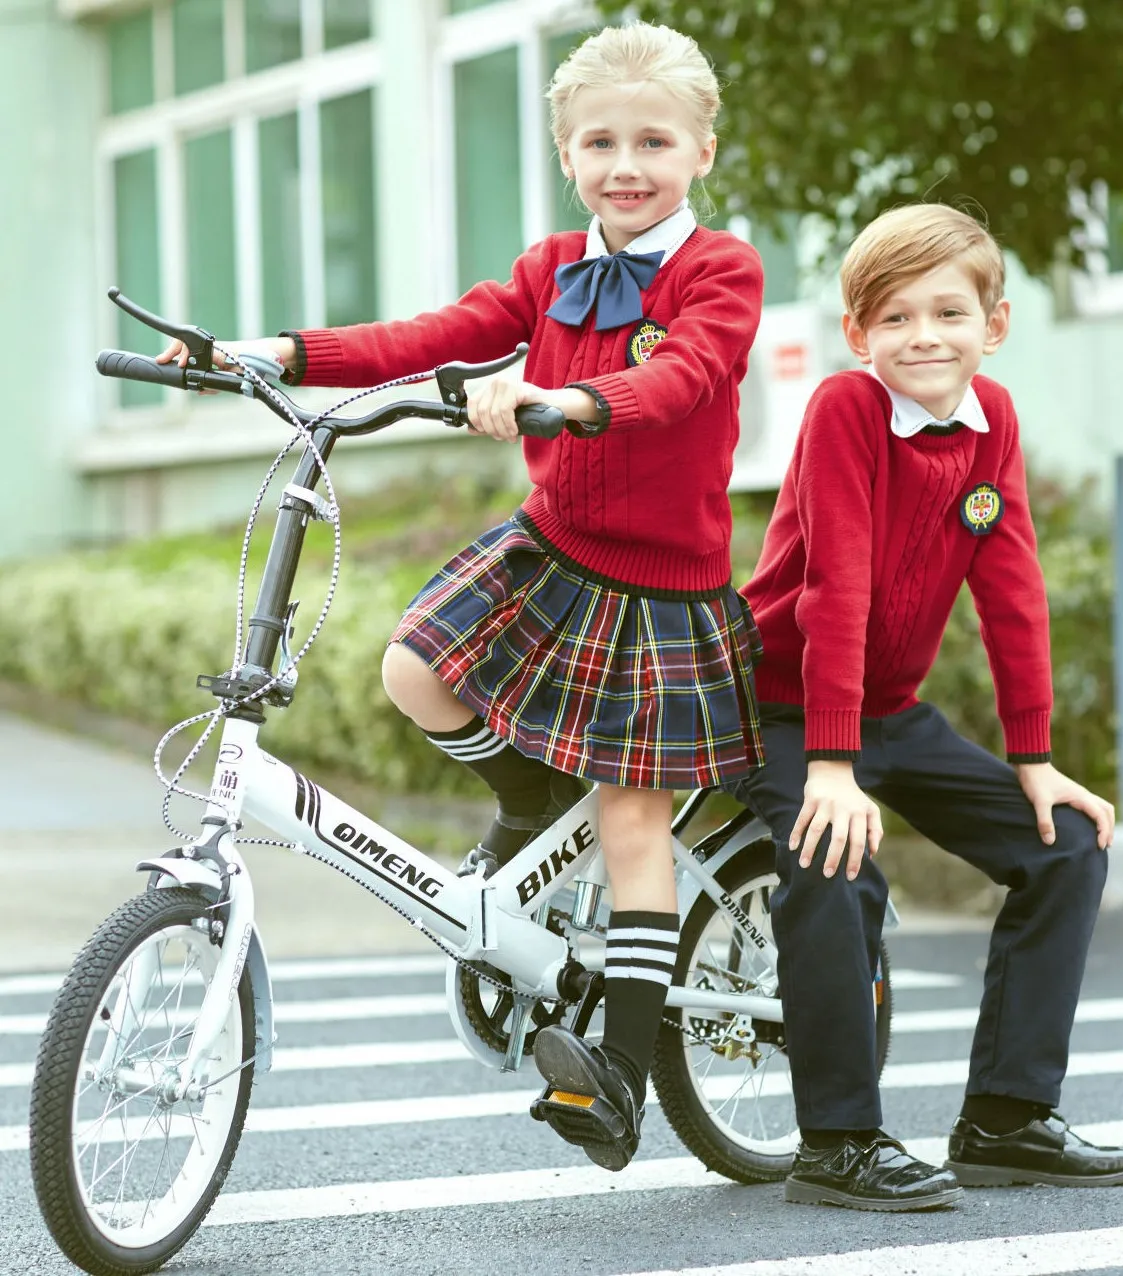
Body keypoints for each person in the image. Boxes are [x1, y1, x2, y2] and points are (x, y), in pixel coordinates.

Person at [161, 22, 765, 1175]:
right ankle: (529, 805)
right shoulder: (549, 269)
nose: (625, 163)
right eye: (599, 141)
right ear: (565, 152)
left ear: (702, 150)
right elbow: (432, 337)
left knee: (634, 823)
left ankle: (622, 1079)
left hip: (658, 591)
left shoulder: (717, 269)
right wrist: (268, 353)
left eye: (652, 140)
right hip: (550, 550)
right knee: (412, 668)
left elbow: (690, 374)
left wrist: (575, 401)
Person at [724, 202, 1123, 1212]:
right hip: (777, 711)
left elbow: (1013, 590)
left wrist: (1033, 758)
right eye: (895, 317)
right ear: (858, 334)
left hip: (891, 715)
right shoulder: (843, 411)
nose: (924, 336)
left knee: (1065, 843)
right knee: (836, 856)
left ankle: (1006, 1117)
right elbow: (838, 589)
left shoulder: (991, 420)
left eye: (948, 313)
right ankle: (837, 1143)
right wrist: (830, 765)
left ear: (992, 324)